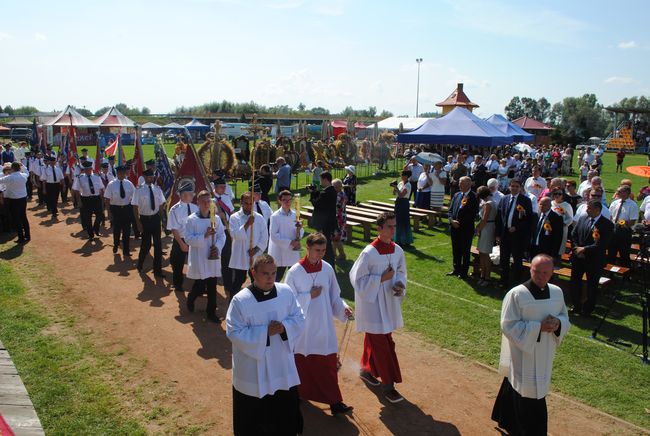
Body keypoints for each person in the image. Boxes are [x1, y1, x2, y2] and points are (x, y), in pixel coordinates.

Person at [226, 254, 305, 436]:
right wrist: (265, 333)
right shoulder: (241, 300)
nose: (271, 278)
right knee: (255, 419)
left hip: (281, 365)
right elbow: (234, 332)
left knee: (284, 415)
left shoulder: (286, 292)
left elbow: (299, 317)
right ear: (253, 273)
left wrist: (284, 327)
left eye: (274, 273)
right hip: (254, 368)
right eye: (265, 274)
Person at [491, 254, 570, 436]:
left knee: (525, 387)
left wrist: (558, 324)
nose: (541, 276)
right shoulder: (517, 294)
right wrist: (538, 328)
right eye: (537, 271)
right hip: (523, 351)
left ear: (552, 273)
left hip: (544, 352)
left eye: (545, 272)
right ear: (530, 269)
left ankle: (506, 418)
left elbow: (565, 317)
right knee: (525, 390)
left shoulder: (557, 293)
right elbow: (507, 324)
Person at [284, 232, 354, 415]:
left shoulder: (327, 269)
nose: (321, 254)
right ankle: (298, 393)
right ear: (307, 248)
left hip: (323, 326)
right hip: (304, 330)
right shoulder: (295, 272)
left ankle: (335, 402)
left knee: (328, 364)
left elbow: (334, 296)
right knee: (302, 364)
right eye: (317, 250)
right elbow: (287, 302)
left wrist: (344, 308)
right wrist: (308, 296)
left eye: (323, 250)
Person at [350, 212, 407, 403]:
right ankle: (388, 386)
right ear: (379, 228)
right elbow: (357, 279)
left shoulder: (397, 250)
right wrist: (380, 279)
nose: (393, 230)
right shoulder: (369, 253)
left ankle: (366, 369)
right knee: (383, 346)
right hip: (372, 305)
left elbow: (401, 272)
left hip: (388, 303)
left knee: (381, 339)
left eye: (394, 226)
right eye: (389, 226)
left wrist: (399, 284)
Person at [185, 190, 227, 323]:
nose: (206, 203)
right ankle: (191, 298)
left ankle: (211, 312)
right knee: (200, 284)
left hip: (213, 257)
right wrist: (204, 236)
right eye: (203, 201)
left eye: (208, 201)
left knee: (212, 284)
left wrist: (218, 247)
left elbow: (222, 236)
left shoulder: (216, 218)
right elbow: (188, 239)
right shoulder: (192, 219)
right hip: (199, 257)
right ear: (197, 202)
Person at [570, 200, 614, 316]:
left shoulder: (607, 224)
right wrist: (577, 248)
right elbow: (574, 234)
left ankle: (587, 309)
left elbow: (602, 244)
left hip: (594, 260)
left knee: (592, 286)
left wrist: (584, 249)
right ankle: (576, 306)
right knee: (575, 282)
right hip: (578, 258)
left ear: (597, 210)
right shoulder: (583, 218)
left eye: (589, 208)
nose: (586, 210)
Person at [228, 192, 268, 299]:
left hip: (254, 256)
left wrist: (256, 250)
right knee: (239, 280)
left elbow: (264, 237)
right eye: (246, 203)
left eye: (251, 203)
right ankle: (232, 303)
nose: (249, 206)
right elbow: (235, 235)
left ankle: (257, 301)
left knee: (256, 280)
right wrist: (247, 224)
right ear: (241, 203)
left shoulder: (259, 218)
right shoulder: (234, 218)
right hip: (240, 255)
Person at [496, 178, 533, 287]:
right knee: (504, 259)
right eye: (513, 186)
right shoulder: (504, 199)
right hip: (504, 234)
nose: (515, 188)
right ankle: (503, 281)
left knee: (517, 260)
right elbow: (499, 216)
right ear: (509, 187)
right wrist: (498, 234)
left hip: (518, 236)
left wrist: (516, 227)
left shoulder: (525, 201)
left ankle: (516, 283)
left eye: (517, 186)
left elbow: (528, 219)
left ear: (520, 188)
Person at [132, 169, 166, 277]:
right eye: (148, 177)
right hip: (145, 220)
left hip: (156, 219)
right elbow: (135, 207)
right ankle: (140, 264)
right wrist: (138, 223)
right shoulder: (139, 190)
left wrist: (163, 220)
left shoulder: (157, 189)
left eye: (152, 177)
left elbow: (160, 206)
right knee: (145, 245)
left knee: (158, 246)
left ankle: (157, 271)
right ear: (144, 177)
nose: (151, 178)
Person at [167, 183, 199, 292]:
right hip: (180, 239)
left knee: (196, 264)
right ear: (181, 195)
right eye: (186, 194)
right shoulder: (174, 209)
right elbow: (174, 229)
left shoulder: (196, 208)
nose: (189, 196)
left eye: (191, 194)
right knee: (178, 263)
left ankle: (198, 287)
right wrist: (182, 244)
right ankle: (177, 284)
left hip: (194, 240)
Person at [447, 176, 480, 278]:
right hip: (454, 227)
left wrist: (459, 223)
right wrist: (452, 220)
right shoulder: (457, 195)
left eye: (463, 183)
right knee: (455, 250)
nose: (460, 185)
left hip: (465, 229)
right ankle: (456, 269)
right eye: (460, 183)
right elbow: (450, 210)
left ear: (469, 184)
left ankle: (463, 272)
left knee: (465, 251)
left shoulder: (474, 197)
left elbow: (473, 214)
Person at [268, 190, 304, 282]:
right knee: (276, 279)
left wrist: (299, 231)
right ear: (279, 201)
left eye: (289, 200)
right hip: (280, 252)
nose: (287, 202)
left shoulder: (295, 214)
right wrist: (291, 242)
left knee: (294, 277)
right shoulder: (275, 216)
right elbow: (273, 236)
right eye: (285, 200)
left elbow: (301, 231)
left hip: (292, 252)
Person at [103, 165, 135, 256]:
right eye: (120, 173)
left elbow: (134, 196)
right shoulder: (111, 184)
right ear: (117, 173)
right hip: (116, 210)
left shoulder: (129, 183)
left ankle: (126, 250)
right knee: (116, 230)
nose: (122, 174)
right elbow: (107, 199)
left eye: (124, 173)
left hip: (127, 209)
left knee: (127, 231)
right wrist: (109, 213)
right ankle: (116, 244)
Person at [309, 171, 337, 265]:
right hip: (329, 222)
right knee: (327, 244)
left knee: (326, 245)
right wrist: (316, 191)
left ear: (325, 180)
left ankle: (328, 263)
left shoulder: (327, 193)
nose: (320, 182)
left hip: (324, 224)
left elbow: (316, 204)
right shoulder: (331, 191)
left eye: (321, 180)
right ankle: (328, 262)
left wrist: (312, 193)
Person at [213, 176, 235, 296]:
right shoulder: (211, 200)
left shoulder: (226, 198)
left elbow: (231, 212)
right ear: (215, 188)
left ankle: (228, 283)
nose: (224, 188)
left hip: (226, 230)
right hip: (216, 232)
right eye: (221, 187)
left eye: (224, 186)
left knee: (227, 257)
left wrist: (228, 219)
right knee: (215, 256)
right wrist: (217, 214)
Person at [608, 185, 638, 267]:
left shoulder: (632, 205)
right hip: (613, 231)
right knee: (611, 253)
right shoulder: (615, 203)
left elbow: (633, 221)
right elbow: (610, 216)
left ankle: (626, 275)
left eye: (619, 191)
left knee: (624, 255)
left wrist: (623, 223)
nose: (617, 193)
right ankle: (609, 274)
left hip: (624, 232)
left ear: (626, 193)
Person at [73, 160, 104, 239]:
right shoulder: (80, 178)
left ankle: (96, 228)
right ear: (84, 170)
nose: (88, 171)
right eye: (86, 169)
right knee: (88, 217)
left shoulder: (97, 177)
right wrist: (79, 201)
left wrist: (102, 199)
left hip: (96, 198)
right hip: (86, 199)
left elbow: (101, 188)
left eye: (89, 169)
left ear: (92, 169)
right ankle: (90, 234)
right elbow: (76, 190)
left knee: (100, 215)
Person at [0, 162, 30, 243]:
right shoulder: (23, 175)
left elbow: (0, 180)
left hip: (14, 200)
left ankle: (21, 237)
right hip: (23, 199)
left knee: (17, 219)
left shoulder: (10, 177)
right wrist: (22, 165)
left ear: (12, 169)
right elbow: (27, 172)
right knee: (23, 217)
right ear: (19, 168)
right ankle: (27, 235)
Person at [475, 186, 496, 287]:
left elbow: (484, 220)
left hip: (487, 228)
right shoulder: (490, 202)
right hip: (487, 227)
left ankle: (487, 277)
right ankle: (483, 275)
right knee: (482, 253)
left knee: (485, 254)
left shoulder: (488, 204)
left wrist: (477, 230)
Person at [550, 189, 573, 259]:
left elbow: (570, 219)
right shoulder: (550, 203)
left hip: (562, 229)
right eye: (555, 193)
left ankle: (557, 262)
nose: (557, 195)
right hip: (550, 228)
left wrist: (563, 224)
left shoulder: (567, 205)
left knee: (559, 247)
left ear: (563, 195)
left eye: (559, 194)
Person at [393, 170, 413, 247]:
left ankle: (405, 240)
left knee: (404, 221)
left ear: (407, 176)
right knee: (398, 221)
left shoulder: (408, 185)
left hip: (404, 203)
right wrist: (394, 187)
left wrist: (396, 188)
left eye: (403, 175)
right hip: (398, 202)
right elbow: (394, 193)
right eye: (401, 175)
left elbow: (401, 195)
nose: (402, 177)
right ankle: (398, 239)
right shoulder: (400, 183)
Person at [332, 178, 348, 260]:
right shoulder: (342, 193)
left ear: (338, 187)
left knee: (337, 237)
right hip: (341, 218)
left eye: (333, 186)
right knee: (334, 237)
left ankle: (342, 254)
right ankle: (333, 253)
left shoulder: (338, 196)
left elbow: (335, 208)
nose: (332, 188)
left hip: (339, 219)